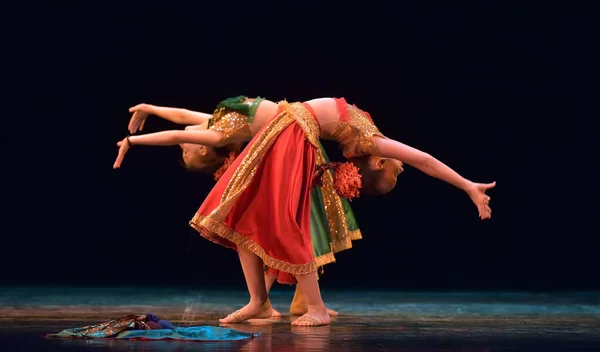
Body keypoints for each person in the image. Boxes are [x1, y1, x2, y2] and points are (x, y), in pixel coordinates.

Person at [114, 97, 495, 326]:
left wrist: (466, 186)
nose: (400, 165)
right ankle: (259, 302)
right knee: (243, 215)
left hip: (294, 129)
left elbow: (424, 160)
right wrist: (467, 186)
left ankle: (313, 307)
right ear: (380, 163)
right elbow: (426, 158)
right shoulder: (373, 140)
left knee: (271, 219)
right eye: (397, 169)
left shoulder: (363, 139)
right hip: (293, 126)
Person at [124, 98, 368, 317]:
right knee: (294, 227)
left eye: (183, 150)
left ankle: (295, 301)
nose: (182, 146)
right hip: (296, 151)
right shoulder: (218, 135)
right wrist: (131, 141)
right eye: (186, 150)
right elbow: (176, 135)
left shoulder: (216, 122)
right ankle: (282, 302)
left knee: (303, 227)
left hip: (301, 143)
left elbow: (182, 114)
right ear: (200, 147)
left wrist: (150, 108)